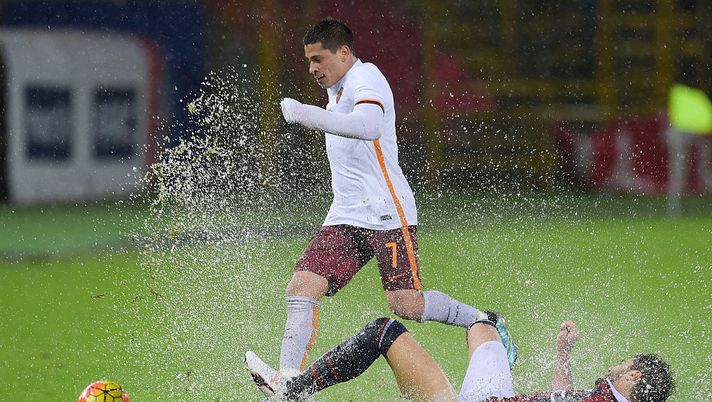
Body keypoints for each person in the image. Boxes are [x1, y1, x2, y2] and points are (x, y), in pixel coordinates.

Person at [276, 17, 495, 373]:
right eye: (308, 61)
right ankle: (288, 383)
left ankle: (484, 321)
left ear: (343, 53)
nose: (312, 68)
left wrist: (305, 114)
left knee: (405, 303)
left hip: (386, 213)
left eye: (318, 59)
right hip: (346, 215)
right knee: (301, 287)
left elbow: (368, 125)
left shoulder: (367, 77)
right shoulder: (336, 89)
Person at [245, 314, 674, 402]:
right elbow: (560, 396)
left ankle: (292, 391)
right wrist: (563, 353)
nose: (617, 363)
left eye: (625, 363)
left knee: (384, 332)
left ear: (634, 375)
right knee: (483, 326)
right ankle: (500, 346)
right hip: (494, 396)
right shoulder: (602, 396)